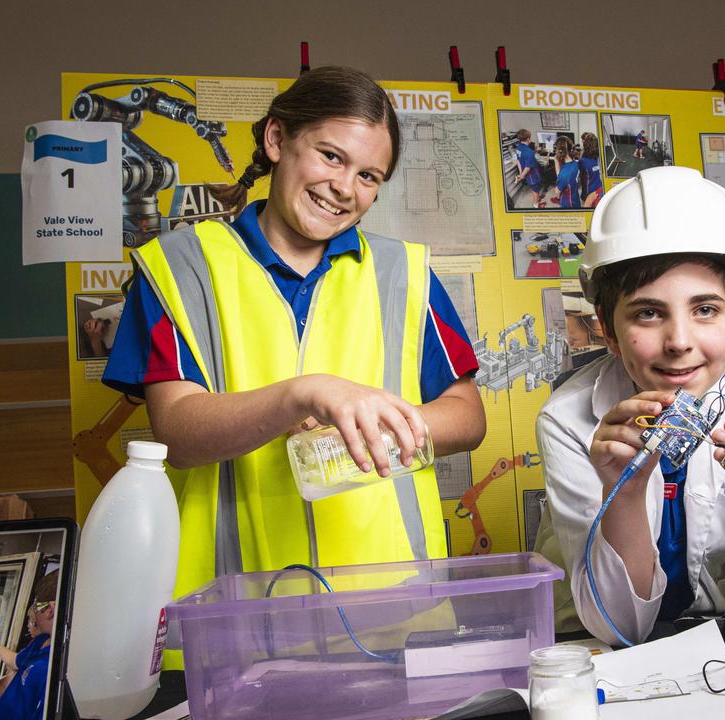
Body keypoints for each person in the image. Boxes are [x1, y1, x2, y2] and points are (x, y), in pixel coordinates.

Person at [102, 67, 487, 650]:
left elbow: (467, 415)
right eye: (331, 156)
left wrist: (373, 423)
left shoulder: (402, 273)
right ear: (277, 140)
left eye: (368, 176)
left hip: (394, 612)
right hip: (234, 624)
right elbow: (176, 433)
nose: (345, 187)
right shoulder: (178, 267)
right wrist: (301, 395)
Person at [537, 166, 725, 645]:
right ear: (607, 327)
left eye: (704, 310)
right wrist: (622, 490)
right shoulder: (569, 417)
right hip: (586, 640)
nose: (679, 342)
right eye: (648, 312)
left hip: (711, 635)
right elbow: (618, 628)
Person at [0, 571, 59, 720]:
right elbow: (17, 661)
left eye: (35, 605)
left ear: (50, 610)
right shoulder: (41, 641)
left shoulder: (54, 671)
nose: (35, 614)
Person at [513, 128, 547, 208]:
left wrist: (521, 173)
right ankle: (536, 205)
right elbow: (528, 167)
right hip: (533, 176)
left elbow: (518, 161)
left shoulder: (518, 149)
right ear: (528, 139)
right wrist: (522, 176)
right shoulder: (530, 152)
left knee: (534, 189)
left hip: (527, 176)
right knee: (535, 190)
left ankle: (536, 200)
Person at [552, 137, 581, 209]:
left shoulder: (565, 174)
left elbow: (557, 192)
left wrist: (556, 161)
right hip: (575, 198)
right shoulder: (574, 163)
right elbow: (562, 177)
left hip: (568, 203)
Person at [578, 133, 604, 207]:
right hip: (599, 188)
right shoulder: (597, 157)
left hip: (588, 193)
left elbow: (578, 175)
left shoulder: (582, 161)